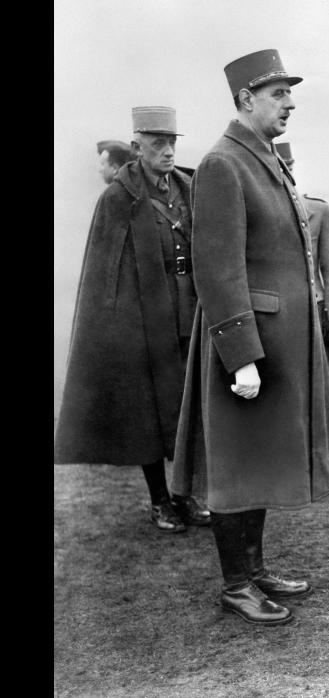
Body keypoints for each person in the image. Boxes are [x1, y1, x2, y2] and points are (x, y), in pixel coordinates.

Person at [171, 49, 329, 626]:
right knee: (238, 464)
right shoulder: (224, 164)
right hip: (246, 344)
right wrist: (241, 356)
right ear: (245, 100)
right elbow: (217, 270)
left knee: (262, 458)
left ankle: (255, 566)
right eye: (277, 94)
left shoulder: (262, 156)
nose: (290, 103)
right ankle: (236, 584)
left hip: (280, 341)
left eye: (290, 93)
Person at [55, 107, 209, 533]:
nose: (168, 150)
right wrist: (117, 328)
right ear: (137, 146)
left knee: (186, 408)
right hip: (143, 319)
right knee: (148, 414)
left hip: (188, 311)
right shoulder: (118, 197)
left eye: (172, 142)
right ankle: (160, 500)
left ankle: (186, 495)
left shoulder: (188, 186)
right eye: (158, 143)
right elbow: (104, 273)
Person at [275, 142, 329, 354]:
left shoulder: (319, 211)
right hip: (274, 311)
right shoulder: (252, 212)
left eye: (287, 167)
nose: (282, 173)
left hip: (313, 307)